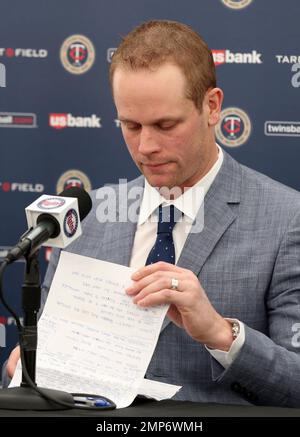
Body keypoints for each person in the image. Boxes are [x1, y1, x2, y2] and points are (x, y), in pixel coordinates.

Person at [4, 20, 300, 407]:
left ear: (212, 106)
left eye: (165, 125)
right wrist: (25, 368)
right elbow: (39, 373)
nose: (146, 147)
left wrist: (220, 333)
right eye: (130, 125)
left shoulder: (286, 219)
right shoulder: (85, 218)